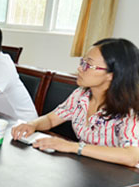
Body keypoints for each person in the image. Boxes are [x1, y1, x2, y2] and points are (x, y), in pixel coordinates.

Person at [12, 38, 139, 167]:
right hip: (88, 167)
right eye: (82, 62)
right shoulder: (81, 95)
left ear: (111, 75)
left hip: (121, 174)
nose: (79, 68)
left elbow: (131, 156)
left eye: (88, 65)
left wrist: (73, 147)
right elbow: (51, 119)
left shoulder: (130, 109)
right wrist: (32, 124)